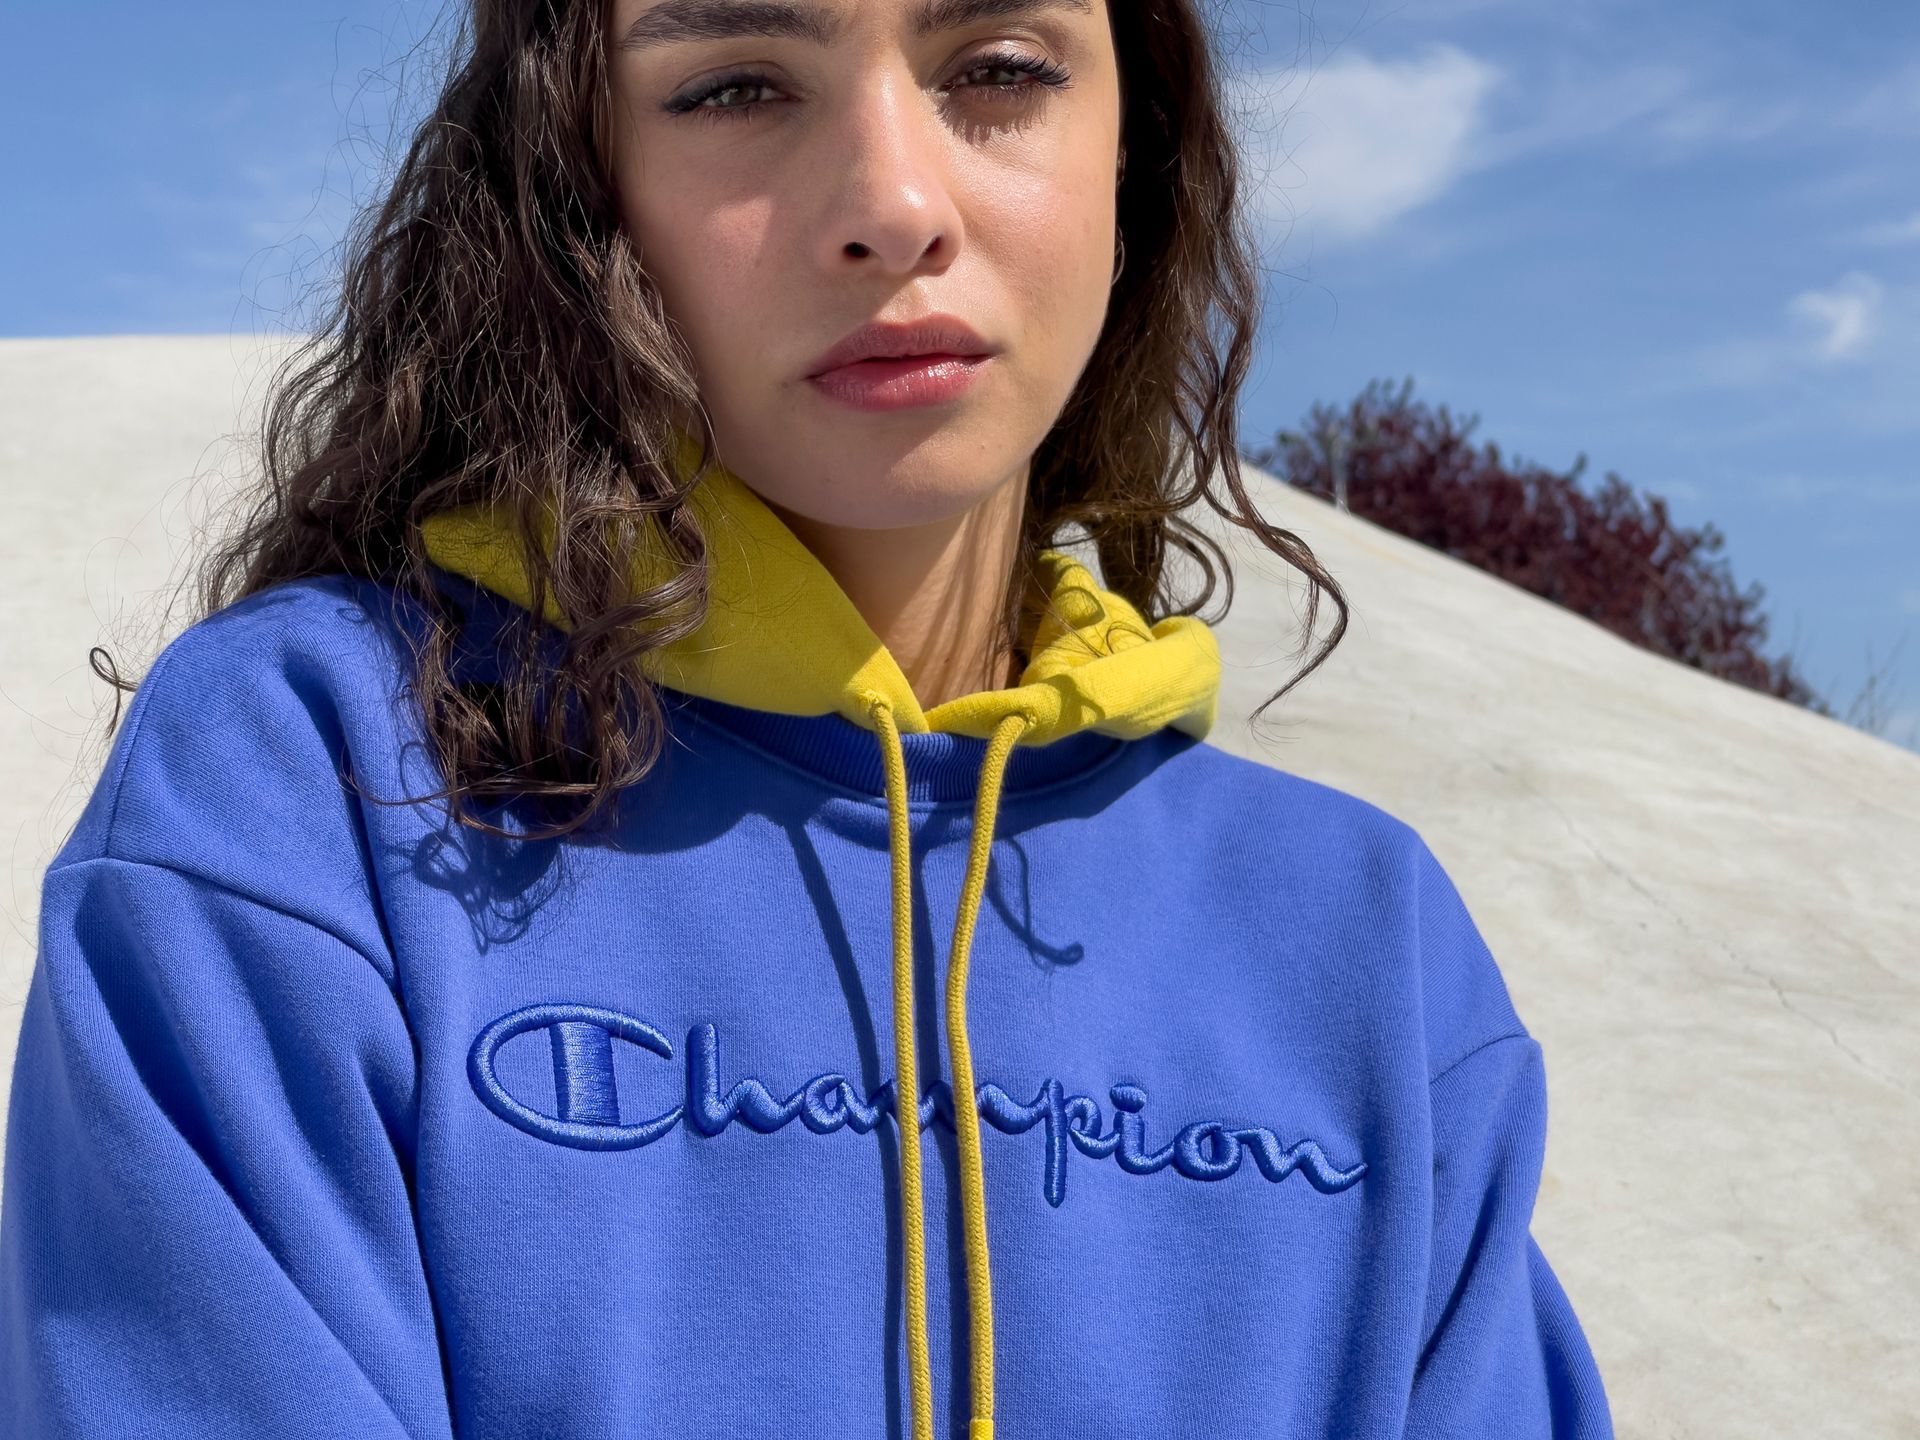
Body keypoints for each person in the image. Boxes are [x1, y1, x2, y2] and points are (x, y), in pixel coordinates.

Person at [0, 0, 1615, 1435]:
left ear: (1142, 147)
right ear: (575, 179)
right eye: (735, 86)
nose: (895, 205)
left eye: (997, 68)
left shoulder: (1366, 949)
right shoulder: (317, 784)